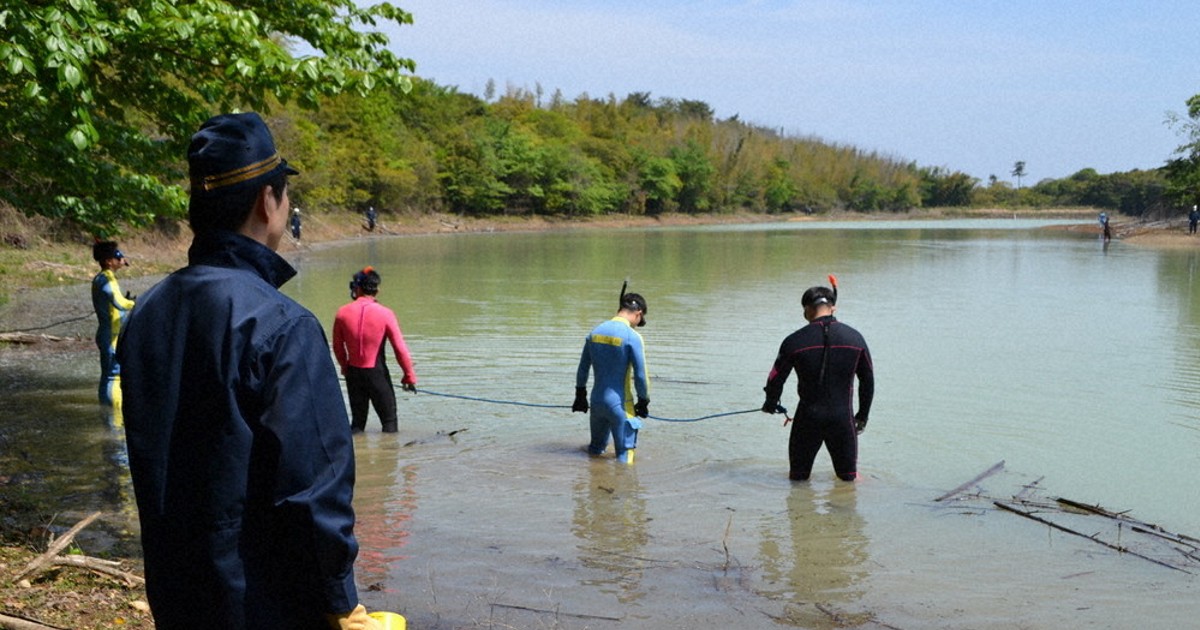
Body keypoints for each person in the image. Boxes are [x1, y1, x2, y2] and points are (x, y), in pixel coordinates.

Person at [117, 112, 382, 630]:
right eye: (285, 197)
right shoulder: (283, 326)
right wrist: (341, 603)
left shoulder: (147, 313)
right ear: (269, 201)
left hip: (178, 598)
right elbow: (312, 490)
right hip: (266, 606)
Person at [761, 279, 874, 482]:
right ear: (833, 307)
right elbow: (868, 381)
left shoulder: (794, 341)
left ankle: (797, 514)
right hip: (842, 420)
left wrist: (771, 403)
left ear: (806, 309)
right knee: (849, 481)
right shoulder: (855, 339)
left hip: (807, 419)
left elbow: (775, 378)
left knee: (797, 480)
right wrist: (862, 416)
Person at [332, 266, 418, 433]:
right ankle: (389, 457)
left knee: (357, 423)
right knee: (389, 423)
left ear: (356, 288)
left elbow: (337, 346)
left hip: (353, 373)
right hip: (377, 373)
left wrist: (344, 366)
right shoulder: (385, 313)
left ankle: (356, 456)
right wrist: (409, 375)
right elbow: (400, 348)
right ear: (377, 289)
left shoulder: (342, 313)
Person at [573, 283, 650, 464]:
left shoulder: (595, 332)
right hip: (621, 405)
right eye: (641, 320)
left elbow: (582, 368)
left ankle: (595, 487)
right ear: (638, 313)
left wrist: (580, 395)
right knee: (625, 456)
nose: (638, 325)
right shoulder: (632, 337)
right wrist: (644, 401)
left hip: (597, 402)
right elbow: (641, 375)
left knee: (595, 451)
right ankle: (624, 489)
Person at [91, 241, 135, 408]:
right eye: (118, 256)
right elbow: (119, 303)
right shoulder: (107, 280)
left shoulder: (101, 278)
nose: (121, 259)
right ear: (109, 261)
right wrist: (137, 304)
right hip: (111, 336)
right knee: (113, 376)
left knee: (108, 375)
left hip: (107, 333)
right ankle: (113, 416)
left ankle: (106, 411)